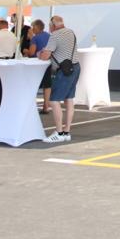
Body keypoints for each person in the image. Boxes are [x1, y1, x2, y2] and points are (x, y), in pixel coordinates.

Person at [40, 14, 80, 143]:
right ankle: (66, 131)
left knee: (54, 100)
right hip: (75, 67)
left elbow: (45, 56)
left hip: (63, 71)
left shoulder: (55, 35)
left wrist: (41, 53)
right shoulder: (71, 32)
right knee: (69, 99)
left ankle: (59, 132)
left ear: (53, 25)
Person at [29, 18, 53, 113]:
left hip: (37, 64)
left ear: (36, 27)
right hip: (47, 62)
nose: (32, 29)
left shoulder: (35, 38)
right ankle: (46, 106)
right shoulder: (49, 36)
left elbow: (31, 52)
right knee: (47, 84)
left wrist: (25, 51)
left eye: (33, 27)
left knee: (34, 84)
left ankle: (31, 106)